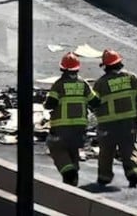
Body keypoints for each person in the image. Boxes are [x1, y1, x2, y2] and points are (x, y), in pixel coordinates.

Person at [90, 49, 137, 188]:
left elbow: (93, 102)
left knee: (106, 152)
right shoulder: (131, 78)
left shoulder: (101, 83)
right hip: (127, 123)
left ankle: (104, 178)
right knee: (129, 149)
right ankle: (133, 173)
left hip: (107, 126)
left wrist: (98, 116)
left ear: (105, 66)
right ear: (119, 63)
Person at [43, 52, 98, 186]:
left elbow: (50, 104)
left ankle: (68, 173)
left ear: (62, 69)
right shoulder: (83, 84)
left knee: (56, 147)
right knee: (72, 150)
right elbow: (95, 102)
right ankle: (72, 181)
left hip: (61, 127)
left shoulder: (59, 85)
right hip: (80, 128)